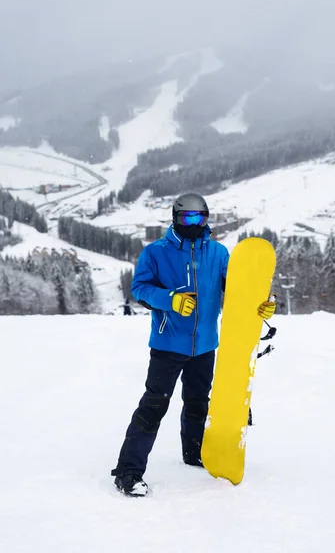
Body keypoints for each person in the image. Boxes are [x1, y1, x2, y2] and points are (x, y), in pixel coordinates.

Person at [111, 193, 276, 496]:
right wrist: (170, 299)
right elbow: (141, 289)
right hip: (167, 344)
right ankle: (128, 472)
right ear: (175, 218)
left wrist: (261, 305)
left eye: (199, 218)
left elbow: (238, 290)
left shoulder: (217, 253)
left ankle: (194, 452)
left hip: (205, 347)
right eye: (187, 218)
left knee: (198, 402)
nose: (194, 223)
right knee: (153, 407)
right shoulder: (156, 253)